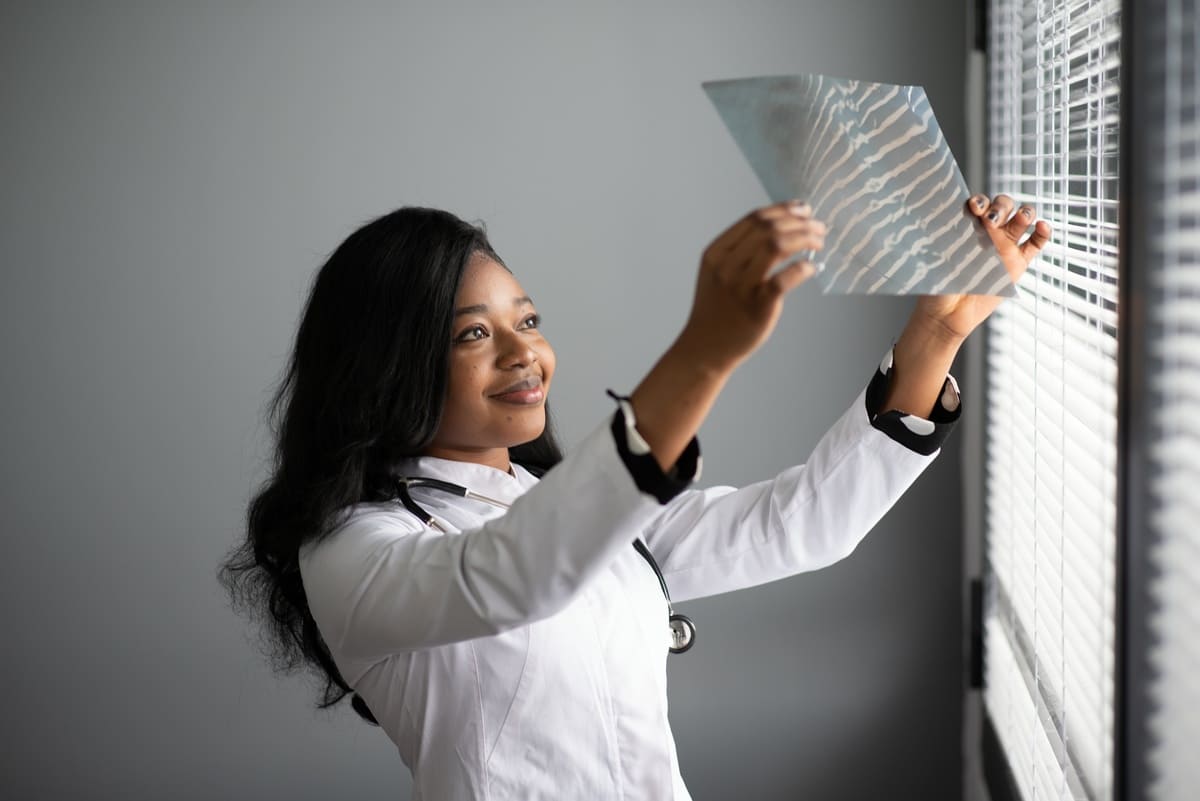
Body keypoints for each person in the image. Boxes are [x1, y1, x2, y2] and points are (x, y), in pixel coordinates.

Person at [219, 194, 1050, 800]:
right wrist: (705, 350)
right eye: (474, 332)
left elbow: (803, 523)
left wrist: (937, 332)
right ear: (386, 362)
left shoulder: (568, 508)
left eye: (529, 320)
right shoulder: (354, 551)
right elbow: (509, 575)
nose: (525, 353)